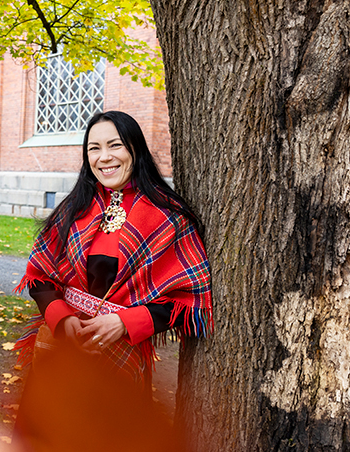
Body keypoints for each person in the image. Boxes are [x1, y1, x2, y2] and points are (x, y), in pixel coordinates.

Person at [12, 111, 213, 451]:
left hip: (121, 361)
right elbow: (40, 276)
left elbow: (189, 300)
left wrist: (125, 322)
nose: (104, 157)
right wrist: (62, 319)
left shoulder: (169, 218)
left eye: (114, 145)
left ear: (135, 148)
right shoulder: (73, 209)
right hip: (60, 355)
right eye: (94, 148)